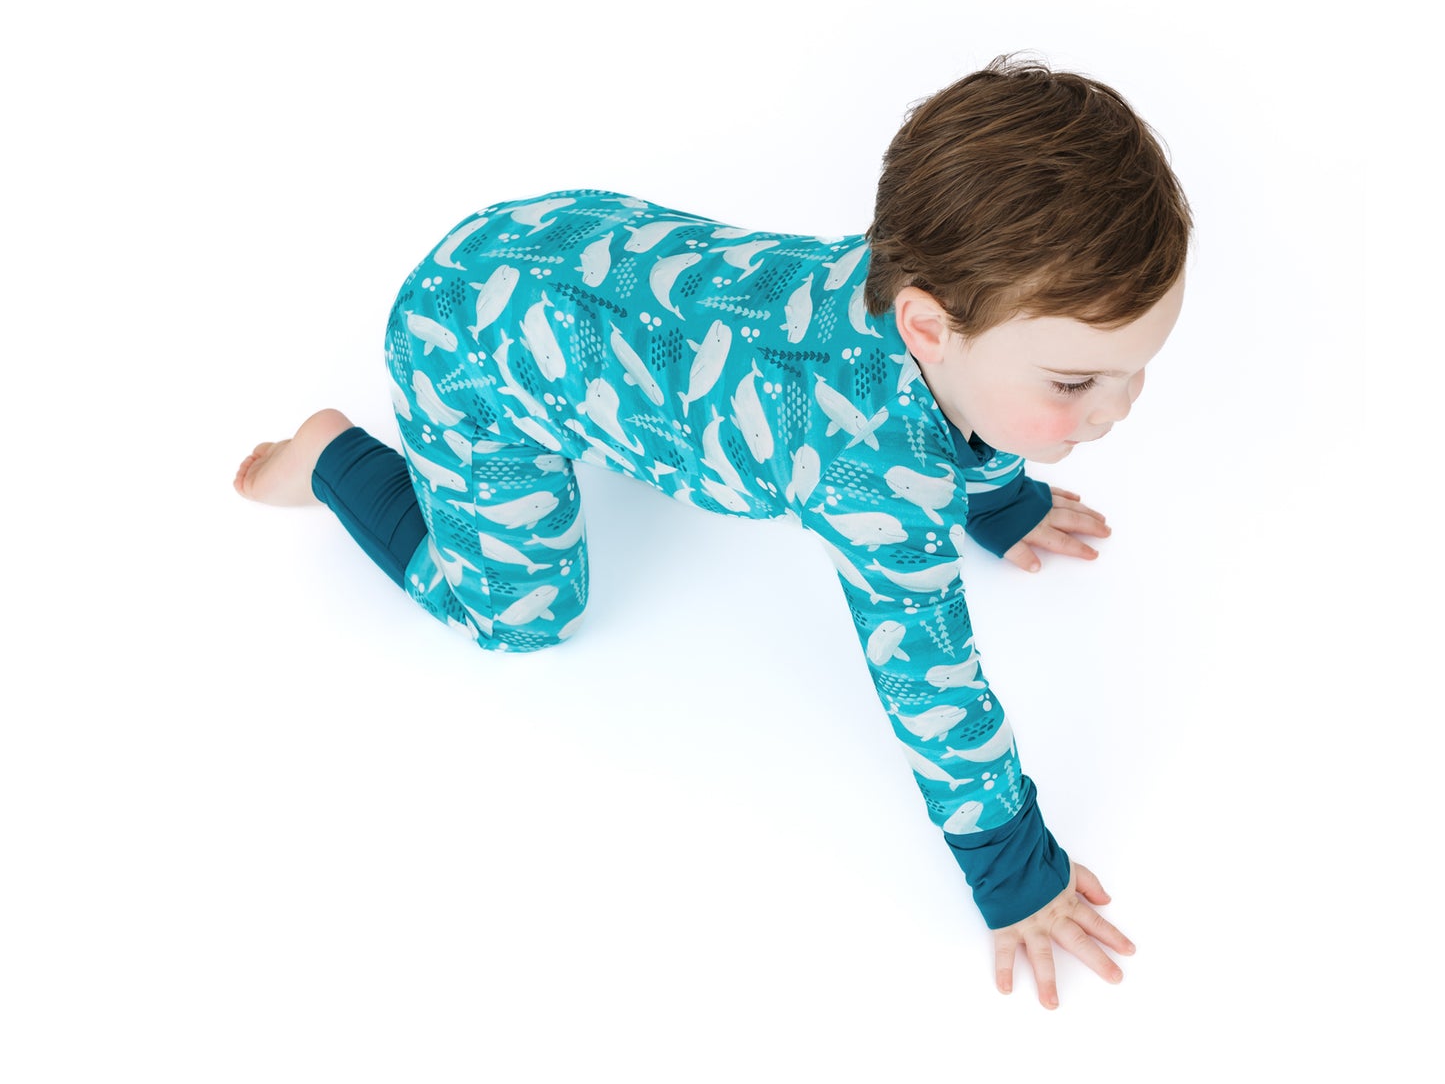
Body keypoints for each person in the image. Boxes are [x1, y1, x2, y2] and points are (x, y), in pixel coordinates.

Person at [234, 53, 1190, 1008]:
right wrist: (1015, 873)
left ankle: (572, 409)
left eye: (1132, 368)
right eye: (1075, 384)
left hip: (546, 240)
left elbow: (969, 408)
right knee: (519, 615)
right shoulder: (875, 478)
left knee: (969, 396)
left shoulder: (909, 282)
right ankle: (331, 459)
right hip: (467, 346)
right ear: (926, 324)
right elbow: (931, 685)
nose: (1117, 411)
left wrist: (1001, 501)